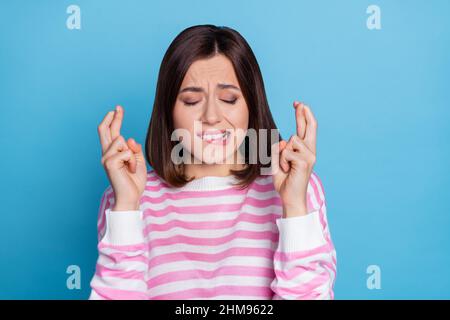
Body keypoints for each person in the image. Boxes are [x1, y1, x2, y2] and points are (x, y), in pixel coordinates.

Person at [90, 24, 336, 300]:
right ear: (169, 112)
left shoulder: (298, 190)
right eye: (192, 101)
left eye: (229, 99)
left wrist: (293, 206)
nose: (211, 116)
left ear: (251, 106)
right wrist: (125, 208)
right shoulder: (127, 198)